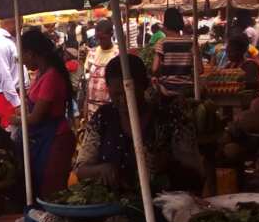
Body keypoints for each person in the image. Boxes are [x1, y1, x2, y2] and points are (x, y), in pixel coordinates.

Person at [76, 55, 202, 192]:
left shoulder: (170, 118)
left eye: (129, 93)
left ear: (144, 86)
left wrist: (168, 163)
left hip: (164, 203)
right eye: (116, 95)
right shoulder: (102, 118)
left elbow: (196, 174)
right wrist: (100, 170)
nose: (123, 100)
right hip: (112, 204)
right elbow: (81, 170)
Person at [13, 30, 76, 198]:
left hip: (55, 141)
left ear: (31, 54)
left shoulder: (52, 77)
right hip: (43, 140)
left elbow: (35, 118)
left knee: (51, 193)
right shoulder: (41, 74)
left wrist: (13, 119)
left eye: (22, 56)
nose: (22, 61)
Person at [0, 17, 27, 130]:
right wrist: (17, 103)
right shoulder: (0, 44)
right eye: (20, 20)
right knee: (13, 132)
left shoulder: (11, 40)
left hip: (16, 95)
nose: (22, 23)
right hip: (7, 98)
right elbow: (4, 78)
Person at [152, 7, 200, 96]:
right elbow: (200, 69)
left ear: (165, 24)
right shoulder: (191, 42)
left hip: (166, 90)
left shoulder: (162, 43)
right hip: (187, 91)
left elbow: (155, 69)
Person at [83, 19, 117, 118]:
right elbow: (89, 80)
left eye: (103, 38)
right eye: (98, 38)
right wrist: (85, 107)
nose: (100, 41)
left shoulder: (118, 55)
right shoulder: (92, 53)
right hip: (91, 107)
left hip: (110, 108)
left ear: (111, 34)